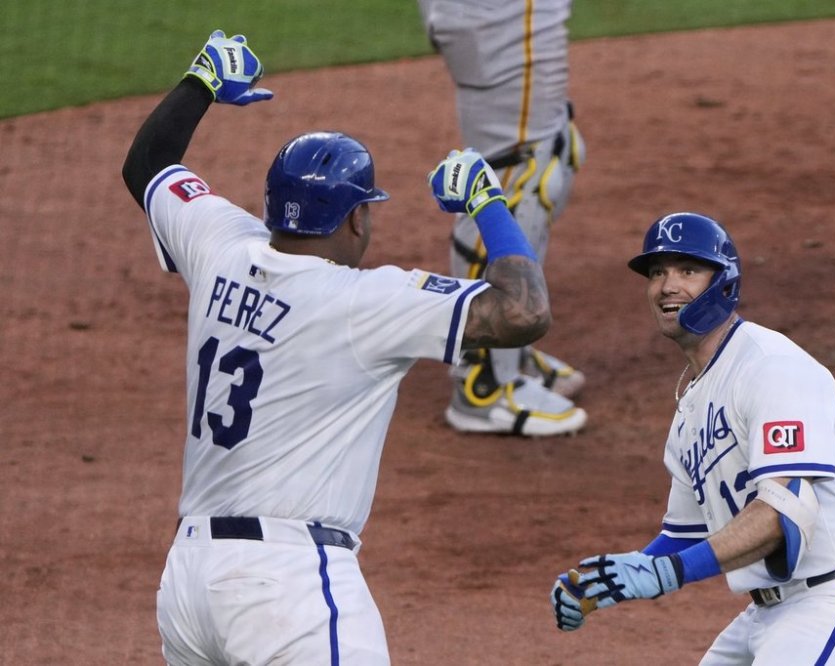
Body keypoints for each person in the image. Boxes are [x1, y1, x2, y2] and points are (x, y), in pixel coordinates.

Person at [122, 30, 554, 665]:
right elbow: (524, 310)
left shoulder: (218, 246)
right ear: (357, 219)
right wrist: (489, 202)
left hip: (188, 581)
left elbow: (148, 166)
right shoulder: (365, 303)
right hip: (287, 587)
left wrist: (201, 82)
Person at [550, 213, 835, 664]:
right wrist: (609, 580)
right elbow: (684, 534)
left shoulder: (771, 365)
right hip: (766, 614)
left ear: (723, 283)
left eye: (687, 270)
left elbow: (783, 513)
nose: (667, 286)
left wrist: (665, 573)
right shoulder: (689, 409)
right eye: (657, 272)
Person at [416, 0, 588, 437]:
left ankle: (509, 349)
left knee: (552, 153)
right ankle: (484, 382)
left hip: (501, 14)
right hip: (502, 14)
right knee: (519, 178)